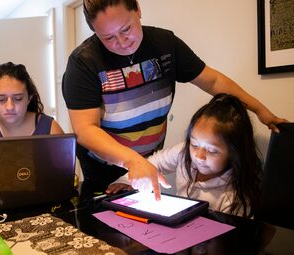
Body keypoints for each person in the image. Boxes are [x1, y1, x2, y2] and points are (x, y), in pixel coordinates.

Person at [61, 0, 286, 199]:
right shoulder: (84, 63)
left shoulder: (165, 45)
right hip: (104, 170)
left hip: (150, 158)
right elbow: (86, 130)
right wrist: (131, 160)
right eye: (108, 37)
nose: (121, 42)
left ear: (137, 9)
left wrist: (259, 109)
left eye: (126, 28)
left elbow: (213, 82)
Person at [108, 93, 263, 218]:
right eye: (194, 144)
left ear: (234, 153)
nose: (199, 156)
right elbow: (155, 163)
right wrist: (127, 180)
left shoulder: (235, 198)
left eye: (212, 151)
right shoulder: (184, 152)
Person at [0, 62, 63, 139]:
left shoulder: (51, 130)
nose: (10, 107)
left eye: (18, 98)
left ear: (29, 98)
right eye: (1, 99)